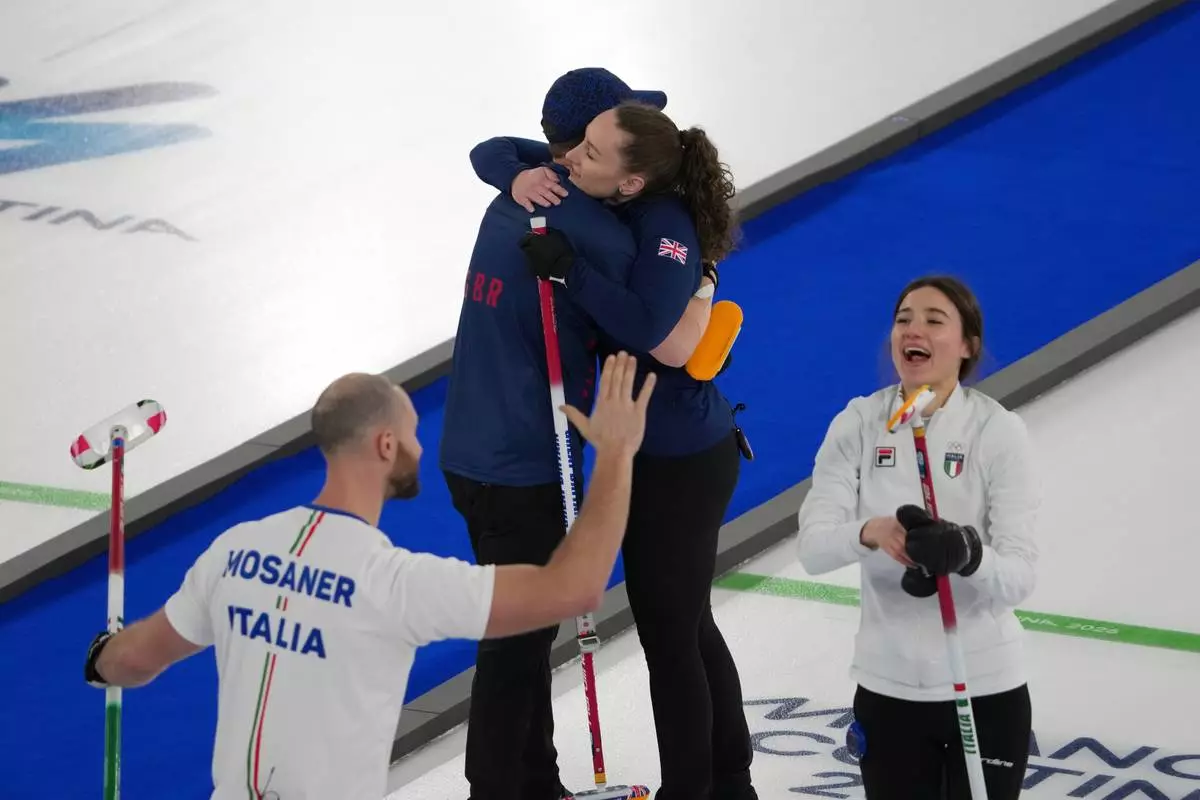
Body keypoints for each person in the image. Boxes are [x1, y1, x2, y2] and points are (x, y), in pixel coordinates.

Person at [83, 353, 657, 800]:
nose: (417, 444)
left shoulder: (235, 552)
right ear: (386, 445)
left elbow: (132, 660)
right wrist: (616, 455)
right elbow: (573, 589)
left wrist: (103, 654)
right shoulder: (393, 584)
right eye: (410, 433)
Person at [471, 101, 757, 800]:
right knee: (687, 624)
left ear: (632, 180)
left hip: (682, 460)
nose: (569, 160)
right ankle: (729, 780)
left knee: (670, 638)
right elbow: (495, 150)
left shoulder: (665, 227)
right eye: (578, 145)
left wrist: (571, 272)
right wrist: (516, 179)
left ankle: (697, 789)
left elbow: (659, 334)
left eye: (589, 152)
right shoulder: (623, 190)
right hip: (652, 450)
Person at [794, 275, 1040, 799]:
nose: (914, 329)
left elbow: (1018, 577)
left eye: (934, 319)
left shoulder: (996, 431)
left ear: (967, 345)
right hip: (889, 688)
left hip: (984, 687)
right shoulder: (860, 423)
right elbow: (813, 549)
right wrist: (871, 531)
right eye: (904, 318)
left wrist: (967, 553)